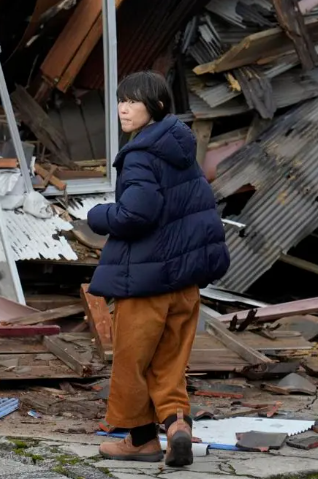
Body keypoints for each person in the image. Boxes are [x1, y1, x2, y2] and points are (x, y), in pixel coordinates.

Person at [86, 71, 230, 467]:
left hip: (147, 281)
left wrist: (97, 215)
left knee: (132, 363)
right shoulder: (181, 149)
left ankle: (141, 441)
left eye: (133, 101)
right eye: (121, 100)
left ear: (157, 106)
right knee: (169, 361)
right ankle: (177, 425)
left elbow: (138, 213)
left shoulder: (141, 155)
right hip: (185, 283)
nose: (123, 108)